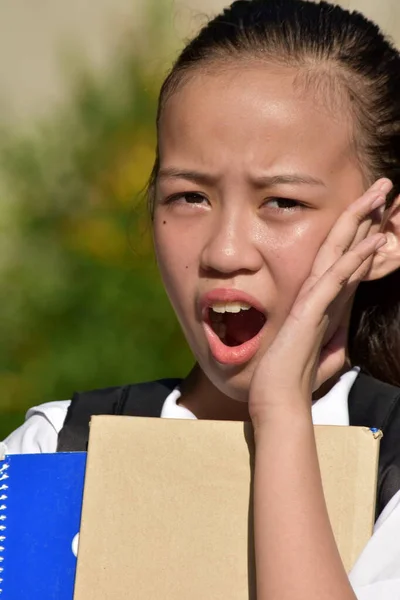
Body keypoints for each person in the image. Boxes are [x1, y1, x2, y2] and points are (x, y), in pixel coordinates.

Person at [3, 0, 400, 597]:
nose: (225, 250)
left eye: (282, 202)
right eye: (189, 197)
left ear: (385, 233)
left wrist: (281, 416)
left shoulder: (389, 459)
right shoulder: (62, 446)